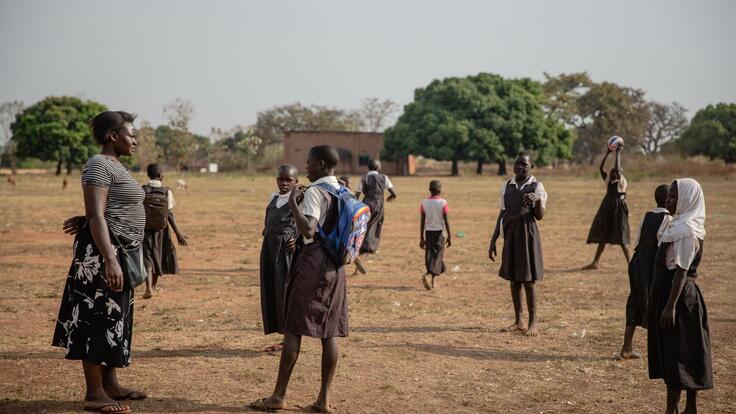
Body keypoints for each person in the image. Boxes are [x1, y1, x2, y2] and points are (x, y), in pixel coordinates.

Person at [54, 111, 146, 414]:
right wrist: (109, 259)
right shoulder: (98, 164)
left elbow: (104, 209)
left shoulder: (116, 165)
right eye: (130, 134)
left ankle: (111, 384)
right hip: (103, 256)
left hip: (120, 251)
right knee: (96, 318)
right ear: (112, 136)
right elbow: (95, 214)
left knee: (113, 319)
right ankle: (94, 393)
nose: (135, 140)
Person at [250, 145, 348, 413]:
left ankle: (278, 396)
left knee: (293, 328)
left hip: (312, 265)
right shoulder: (341, 189)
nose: (305, 167)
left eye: (308, 163)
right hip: (335, 267)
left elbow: (309, 228)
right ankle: (323, 400)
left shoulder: (315, 192)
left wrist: (294, 203)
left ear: (318, 164)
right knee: (329, 332)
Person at [648, 178, 712, 414]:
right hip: (673, 297)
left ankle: (673, 409)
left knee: (677, 354)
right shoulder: (677, 224)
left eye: (674, 196)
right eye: (669, 196)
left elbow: (681, 272)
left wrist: (669, 306)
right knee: (684, 350)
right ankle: (689, 408)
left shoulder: (686, 230)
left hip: (679, 300)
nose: (668, 200)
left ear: (687, 200)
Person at [489, 152, 547, 337]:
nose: (520, 167)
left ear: (532, 167)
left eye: (524, 165)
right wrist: (493, 239)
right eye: (517, 164)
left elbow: (539, 216)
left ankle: (533, 322)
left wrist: (536, 201)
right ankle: (518, 320)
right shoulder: (507, 186)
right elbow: (502, 213)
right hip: (511, 236)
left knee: (529, 281)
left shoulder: (537, 187)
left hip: (527, 236)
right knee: (514, 280)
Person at [619, 184, 671, 359]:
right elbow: (663, 246)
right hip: (652, 264)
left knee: (635, 298)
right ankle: (661, 351)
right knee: (655, 301)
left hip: (637, 261)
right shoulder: (668, 219)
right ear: (668, 200)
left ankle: (627, 347)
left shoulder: (647, 216)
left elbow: (638, 241)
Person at [260, 165, 298, 353]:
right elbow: (268, 220)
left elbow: (309, 222)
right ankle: (282, 332)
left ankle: (288, 339)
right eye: (281, 179)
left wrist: (296, 237)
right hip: (269, 249)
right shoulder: (273, 197)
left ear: (296, 182)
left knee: (286, 292)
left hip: (286, 252)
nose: (284, 183)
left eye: (288, 180)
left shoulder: (299, 198)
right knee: (273, 290)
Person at [141, 163, 188, 299]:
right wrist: (178, 234)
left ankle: (148, 287)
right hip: (162, 230)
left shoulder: (143, 190)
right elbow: (170, 215)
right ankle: (154, 287)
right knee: (158, 256)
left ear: (148, 175)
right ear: (161, 175)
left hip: (145, 229)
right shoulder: (167, 191)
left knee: (147, 257)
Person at [583, 144, 631, 269]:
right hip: (607, 207)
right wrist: (608, 153)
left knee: (621, 237)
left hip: (618, 209)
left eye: (616, 171)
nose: (613, 172)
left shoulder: (622, 182)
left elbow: (617, 168)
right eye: (612, 172)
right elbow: (601, 168)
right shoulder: (609, 180)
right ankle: (595, 263)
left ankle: (631, 264)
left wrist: (618, 153)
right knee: (604, 234)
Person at [354, 160, 397, 272]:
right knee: (376, 225)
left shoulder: (363, 178)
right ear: (378, 168)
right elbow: (393, 193)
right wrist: (390, 197)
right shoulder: (384, 177)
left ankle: (364, 249)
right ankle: (366, 250)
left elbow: (357, 194)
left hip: (366, 204)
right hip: (378, 205)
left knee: (365, 226)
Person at [419, 180, 451, 290]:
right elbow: (446, 221)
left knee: (430, 255)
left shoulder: (424, 203)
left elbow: (422, 221)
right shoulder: (443, 203)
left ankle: (433, 279)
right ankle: (430, 276)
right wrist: (450, 236)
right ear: (440, 190)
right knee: (438, 256)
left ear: (429, 190)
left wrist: (421, 237)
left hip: (428, 232)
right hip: (440, 233)